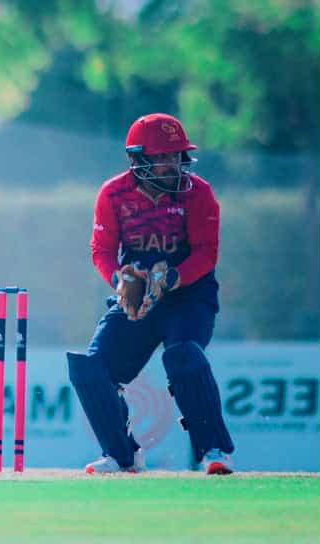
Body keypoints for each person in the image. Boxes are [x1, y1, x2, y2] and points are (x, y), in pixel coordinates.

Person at [67, 113, 235, 475]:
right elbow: (101, 249)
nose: (171, 165)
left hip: (188, 297)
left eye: (175, 156)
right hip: (137, 298)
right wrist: (120, 281)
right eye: (161, 158)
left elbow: (206, 253)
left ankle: (214, 450)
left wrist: (172, 278)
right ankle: (121, 455)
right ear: (137, 159)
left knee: (183, 357)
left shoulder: (199, 193)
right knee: (91, 369)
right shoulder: (113, 193)